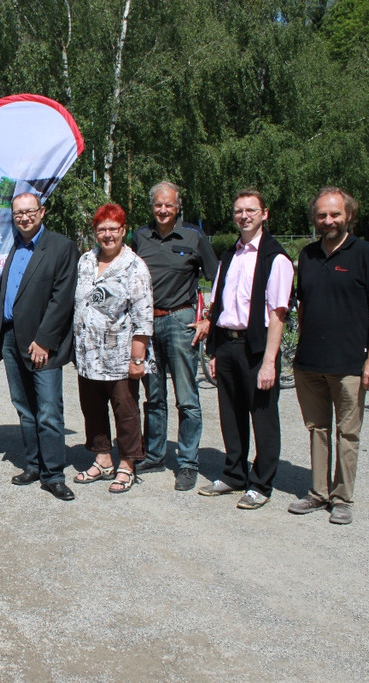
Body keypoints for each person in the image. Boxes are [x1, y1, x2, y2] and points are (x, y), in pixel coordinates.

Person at [288, 187, 369, 525]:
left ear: (348, 215)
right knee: (317, 428)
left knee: (348, 433)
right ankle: (318, 493)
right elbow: (304, 307)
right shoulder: (308, 255)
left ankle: (342, 497)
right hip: (310, 362)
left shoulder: (365, 254)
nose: (328, 220)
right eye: (322, 215)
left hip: (349, 363)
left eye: (335, 214)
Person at [195, 189, 294, 510]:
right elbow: (218, 304)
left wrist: (270, 362)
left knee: (263, 417)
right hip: (227, 344)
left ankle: (261, 483)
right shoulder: (229, 255)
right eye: (239, 210)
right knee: (230, 414)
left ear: (265, 214)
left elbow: (278, 313)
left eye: (251, 210)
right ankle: (234, 473)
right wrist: (213, 351)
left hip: (257, 348)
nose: (244, 216)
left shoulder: (275, 258)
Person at [0, 193, 78, 501]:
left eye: (29, 212)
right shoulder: (11, 245)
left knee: (49, 410)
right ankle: (33, 465)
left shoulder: (61, 247)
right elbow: (6, 293)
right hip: (11, 338)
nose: (24, 217)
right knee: (25, 408)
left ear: (42, 212)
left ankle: (54, 475)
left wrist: (45, 341)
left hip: (41, 342)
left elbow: (61, 299)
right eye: (18, 213)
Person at [130, 181, 217, 491]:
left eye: (168, 205)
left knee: (187, 397)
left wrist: (208, 318)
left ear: (178, 207)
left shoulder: (193, 236)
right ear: (152, 207)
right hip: (148, 323)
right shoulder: (140, 237)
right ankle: (154, 454)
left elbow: (217, 278)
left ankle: (188, 462)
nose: (163, 210)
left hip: (181, 321)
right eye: (158, 205)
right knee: (153, 396)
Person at [71, 203, 152, 495]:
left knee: (125, 411)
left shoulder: (134, 266)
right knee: (92, 409)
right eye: (102, 229)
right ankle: (102, 459)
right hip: (87, 355)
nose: (107, 235)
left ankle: (127, 464)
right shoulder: (85, 261)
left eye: (113, 229)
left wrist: (137, 358)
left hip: (119, 356)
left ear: (123, 231)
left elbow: (143, 316)